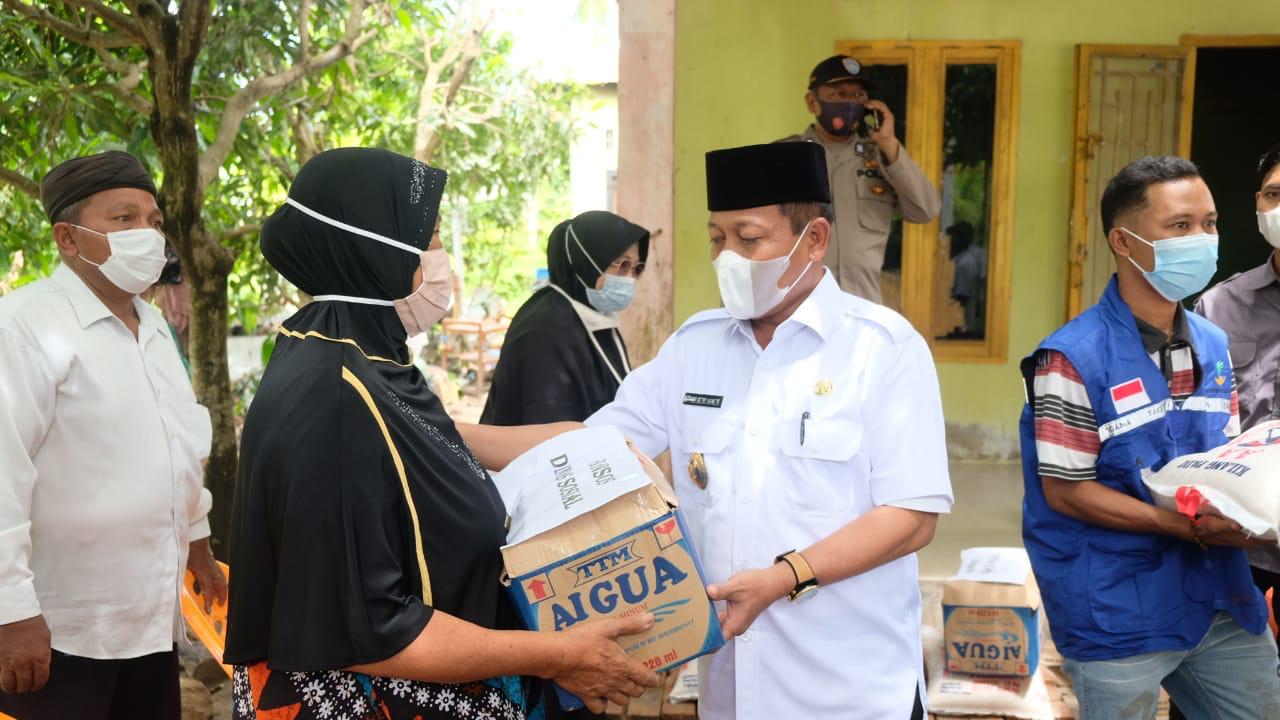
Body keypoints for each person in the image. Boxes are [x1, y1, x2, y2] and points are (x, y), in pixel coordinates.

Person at [463, 141, 954, 720]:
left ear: (814, 239)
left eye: (749, 238)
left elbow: (911, 516)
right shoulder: (695, 347)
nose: (728, 258)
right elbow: (586, 446)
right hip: (732, 694)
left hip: (851, 692)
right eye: (718, 239)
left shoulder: (882, 349)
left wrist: (784, 578)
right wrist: (439, 429)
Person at [223, 148, 659, 720]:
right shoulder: (334, 395)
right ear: (377, 248)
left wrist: (591, 444)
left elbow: (438, 437)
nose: (440, 258)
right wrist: (559, 654)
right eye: (427, 238)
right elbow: (371, 629)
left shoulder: (356, 352)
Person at [1020, 155, 1280, 719]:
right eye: (1179, 226)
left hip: (1217, 595)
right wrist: (1188, 528)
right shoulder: (1069, 358)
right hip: (1116, 603)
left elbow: (1225, 457)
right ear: (1124, 242)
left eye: (1209, 223)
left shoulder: (1213, 343)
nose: (1201, 240)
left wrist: (1247, 510)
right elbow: (1066, 492)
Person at [0, 151, 225, 719]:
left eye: (153, 221)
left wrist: (198, 542)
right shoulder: (24, 326)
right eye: (124, 218)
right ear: (68, 239)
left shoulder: (154, 327)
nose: (147, 234)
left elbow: (180, 441)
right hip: (60, 630)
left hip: (149, 619)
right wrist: (11, 611)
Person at [1195, 141, 1280, 646]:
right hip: (1238, 544)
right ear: (1258, 203)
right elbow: (1191, 426)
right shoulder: (1218, 308)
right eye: (1275, 194)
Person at [781, 54, 940, 303]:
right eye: (838, 94)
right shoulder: (784, 156)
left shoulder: (882, 158)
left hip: (861, 306)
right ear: (812, 102)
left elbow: (926, 210)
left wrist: (889, 143)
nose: (849, 102)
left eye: (858, 95)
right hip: (797, 306)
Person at [482, 210, 649, 426]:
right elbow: (545, 423)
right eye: (623, 265)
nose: (630, 278)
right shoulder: (543, 329)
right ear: (586, 262)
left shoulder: (594, 315)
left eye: (637, 268)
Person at [945, 221, 986, 338]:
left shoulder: (966, 264)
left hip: (963, 317)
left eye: (950, 239)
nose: (947, 242)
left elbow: (962, 298)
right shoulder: (958, 258)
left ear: (958, 241)